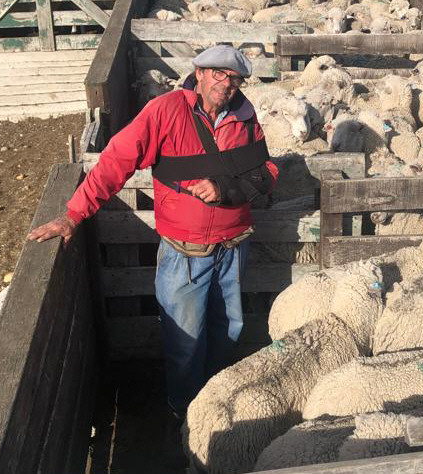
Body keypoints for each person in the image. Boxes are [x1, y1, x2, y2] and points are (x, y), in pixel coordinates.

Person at [27, 45, 278, 417]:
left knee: (228, 331)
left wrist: (225, 188)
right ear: (199, 73)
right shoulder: (165, 111)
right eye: (219, 74)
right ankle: (186, 412)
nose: (226, 85)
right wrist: (74, 214)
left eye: (235, 79)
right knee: (185, 340)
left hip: (233, 247)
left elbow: (265, 172)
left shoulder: (245, 114)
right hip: (185, 253)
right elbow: (116, 161)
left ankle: (217, 406)